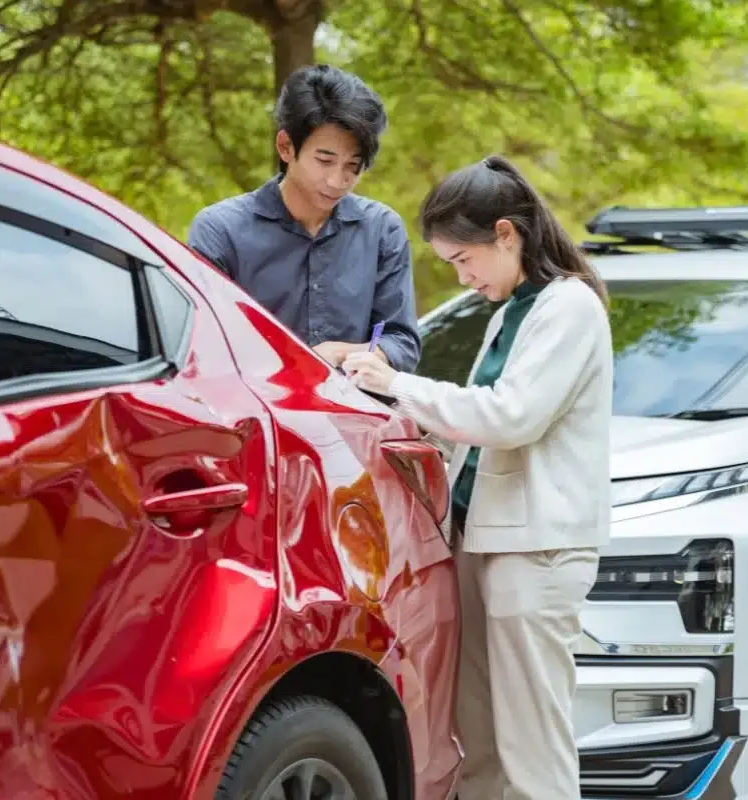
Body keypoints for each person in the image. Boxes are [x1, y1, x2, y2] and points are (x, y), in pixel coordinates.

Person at [343, 154, 612, 799]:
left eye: (464, 260)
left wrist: (398, 382)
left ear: (506, 235)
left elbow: (512, 416)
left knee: (530, 742)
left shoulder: (568, 307)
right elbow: (475, 429)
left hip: (536, 548)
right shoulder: (508, 312)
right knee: (480, 733)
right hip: (484, 540)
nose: (462, 277)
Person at [187, 64, 421, 373]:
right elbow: (202, 346)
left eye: (354, 165)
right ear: (285, 147)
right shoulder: (220, 231)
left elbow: (401, 342)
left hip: (358, 414)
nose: (338, 180)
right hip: (258, 412)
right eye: (324, 161)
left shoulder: (381, 229)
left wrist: (340, 352)